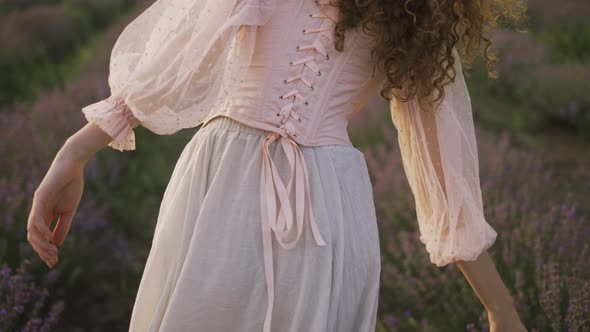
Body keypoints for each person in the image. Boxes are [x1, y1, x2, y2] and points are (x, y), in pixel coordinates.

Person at [26, 0, 528, 331]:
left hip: (253, 189)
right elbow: (174, 66)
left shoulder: (419, 11)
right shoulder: (419, 12)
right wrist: (499, 308)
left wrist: (501, 309)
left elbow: (443, 175)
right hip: (300, 198)